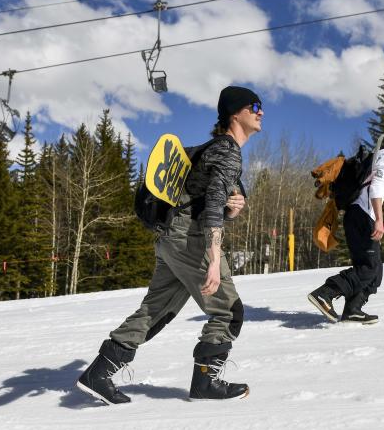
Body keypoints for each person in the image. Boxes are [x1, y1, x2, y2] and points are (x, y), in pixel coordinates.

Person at [77, 86, 262, 404]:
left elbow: (206, 199)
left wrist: (232, 209)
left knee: (155, 311)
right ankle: (206, 382)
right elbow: (214, 205)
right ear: (236, 113)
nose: (260, 112)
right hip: (192, 241)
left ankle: (98, 372)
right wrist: (214, 258)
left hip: (171, 238)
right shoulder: (228, 150)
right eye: (254, 106)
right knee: (228, 312)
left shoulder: (209, 149)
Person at [307, 125, 384, 324]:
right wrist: (379, 219)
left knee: (374, 272)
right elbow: (376, 188)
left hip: (357, 215)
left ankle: (353, 309)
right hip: (362, 215)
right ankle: (326, 293)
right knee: (368, 268)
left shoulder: (382, 155)